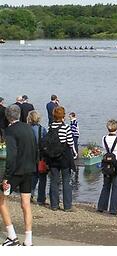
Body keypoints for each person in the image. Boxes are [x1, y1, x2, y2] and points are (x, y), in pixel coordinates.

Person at [0, 105, 37, 246]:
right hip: (29, 169)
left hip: (16, 171)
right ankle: (28, 240)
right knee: (26, 204)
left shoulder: (9, 131)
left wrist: (6, 177)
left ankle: (12, 236)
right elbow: (35, 147)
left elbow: (11, 156)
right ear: (20, 114)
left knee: (1, 200)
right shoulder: (28, 127)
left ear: (7, 116)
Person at [47, 106, 77, 212]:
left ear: (54, 115)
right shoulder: (66, 127)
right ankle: (67, 206)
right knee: (66, 180)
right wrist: (75, 153)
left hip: (53, 157)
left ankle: (54, 205)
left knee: (54, 181)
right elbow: (70, 142)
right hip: (64, 156)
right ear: (63, 116)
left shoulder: (50, 127)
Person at [27, 110, 48, 206]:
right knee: (42, 177)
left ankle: (30, 195)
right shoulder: (42, 129)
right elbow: (46, 143)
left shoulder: (26, 129)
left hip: (30, 156)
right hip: (40, 157)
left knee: (33, 177)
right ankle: (41, 199)